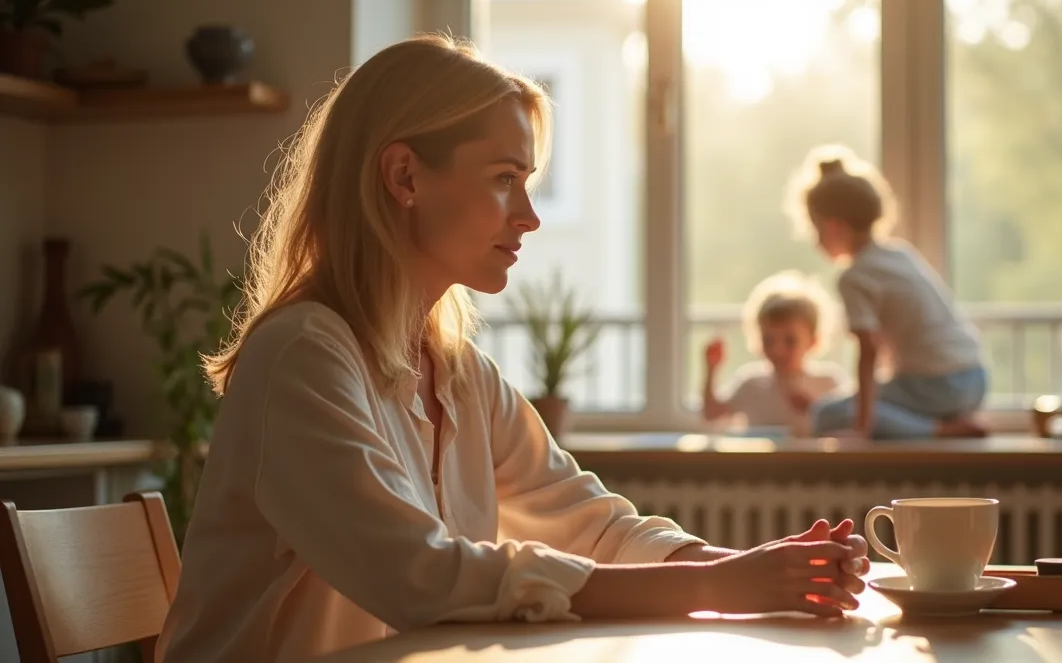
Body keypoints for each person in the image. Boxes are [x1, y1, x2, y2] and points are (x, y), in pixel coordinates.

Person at [155, 36, 871, 663]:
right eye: (504, 180)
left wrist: (747, 567)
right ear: (403, 177)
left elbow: (591, 522)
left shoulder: (457, 371)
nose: (528, 217)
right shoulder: (302, 356)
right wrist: (717, 585)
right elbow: (418, 577)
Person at [785, 145, 990, 439]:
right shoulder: (899, 253)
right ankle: (941, 420)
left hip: (938, 387)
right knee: (849, 403)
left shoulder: (855, 276)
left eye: (815, 230)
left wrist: (861, 425)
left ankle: (941, 430)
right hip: (976, 381)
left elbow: (868, 352)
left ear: (834, 227)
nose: (815, 242)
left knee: (825, 415)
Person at [701, 271, 847, 437]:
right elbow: (712, 414)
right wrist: (711, 369)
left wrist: (815, 409)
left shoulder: (828, 383)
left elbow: (845, 429)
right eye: (768, 340)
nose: (777, 350)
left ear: (813, 341)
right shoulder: (751, 384)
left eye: (790, 341)